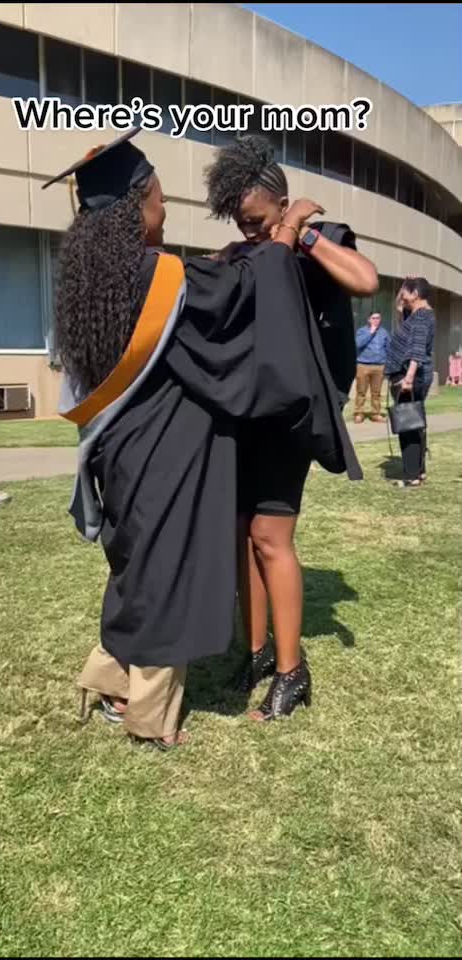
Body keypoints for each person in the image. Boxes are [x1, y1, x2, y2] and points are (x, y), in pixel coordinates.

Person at [44, 129, 361, 749]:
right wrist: (284, 237)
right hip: (162, 454)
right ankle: (150, 717)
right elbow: (234, 296)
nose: (164, 210)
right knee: (165, 573)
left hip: (119, 452)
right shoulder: (156, 276)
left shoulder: (93, 282)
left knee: (134, 570)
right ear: (135, 206)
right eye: (159, 199)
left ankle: (111, 684)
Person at [205, 135, 377, 718]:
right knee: (241, 533)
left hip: (292, 415)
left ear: (282, 205)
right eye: (241, 222)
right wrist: (256, 245)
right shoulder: (246, 251)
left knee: (270, 537)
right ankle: (255, 653)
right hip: (245, 413)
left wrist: (301, 234)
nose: (250, 231)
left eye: (258, 220)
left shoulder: (317, 242)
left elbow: (365, 280)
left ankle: (290, 670)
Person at [385, 277, 435, 488]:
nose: (402, 296)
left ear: (415, 294)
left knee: (408, 424)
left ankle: (411, 475)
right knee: (414, 421)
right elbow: (399, 306)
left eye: (405, 291)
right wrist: (405, 285)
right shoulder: (414, 314)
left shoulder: (421, 316)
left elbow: (417, 349)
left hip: (409, 377)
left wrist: (408, 379)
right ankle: (418, 471)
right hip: (410, 375)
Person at [354, 311, 391, 423]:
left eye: (378, 318)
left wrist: (388, 364)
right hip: (363, 365)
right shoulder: (362, 331)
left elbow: (389, 348)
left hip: (379, 366)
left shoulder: (384, 332)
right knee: (361, 391)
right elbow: (358, 344)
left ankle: (376, 414)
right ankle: (359, 413)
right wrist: (370, 332)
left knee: (376, 393)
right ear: (368, 319)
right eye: (373, 318)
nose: (376, 320)